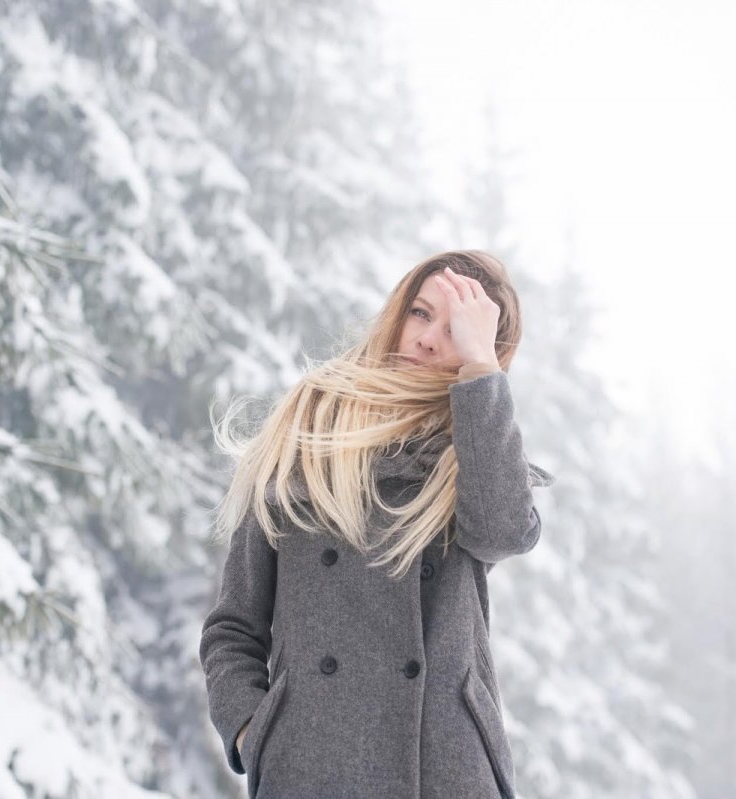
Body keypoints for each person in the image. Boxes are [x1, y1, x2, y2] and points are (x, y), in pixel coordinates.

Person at [198, 250, 556, 798]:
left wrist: (481, 372)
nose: (430, 338)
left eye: (456, 329)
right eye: (420, 312)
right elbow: (234, 628)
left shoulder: (475, 448)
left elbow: (503, 531)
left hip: (444, 770)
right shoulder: (306, 429)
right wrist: (255, 732)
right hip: (312, 767)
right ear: (396, 312)